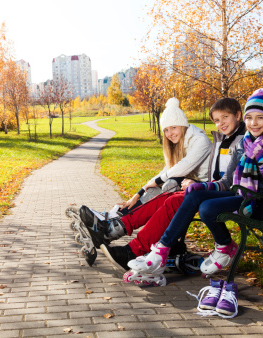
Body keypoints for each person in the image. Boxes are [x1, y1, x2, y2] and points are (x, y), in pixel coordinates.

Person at [129, 88, 263, 317]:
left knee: (207, 207)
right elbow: (228, 181)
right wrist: (204, 186)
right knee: (195, 195)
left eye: (260, 117)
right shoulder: (245, 143)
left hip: (261, 204)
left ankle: (219, 247)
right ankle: (162, 251)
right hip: (241, 195)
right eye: (250, 117)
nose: (254, 123)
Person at [80, 97, 246, 270]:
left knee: (172, 198)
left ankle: (132, 247)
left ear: (237, 115)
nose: (221, 123)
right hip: (207, 189)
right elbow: (209, 175)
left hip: (220, 192)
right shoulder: (223, 139)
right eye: (217, 120)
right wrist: (139, 192)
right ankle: (114, 228)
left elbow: (225, 180)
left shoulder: (235, 141)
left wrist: (201, 185)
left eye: (225, 117)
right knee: (166, 196)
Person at [77, 97, 211, 252]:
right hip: (188, 186)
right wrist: (138, 193)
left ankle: (113, 227)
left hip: (205, 188)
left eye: (173, 127)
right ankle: (113, 222)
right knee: (155, 189)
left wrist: (156, 182)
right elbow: (167, 170)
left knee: (166, 186)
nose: (169, 133)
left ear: (182, 125)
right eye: (166, 130)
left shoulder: (200, 141)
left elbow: (183, 167)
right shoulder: (179, 143)